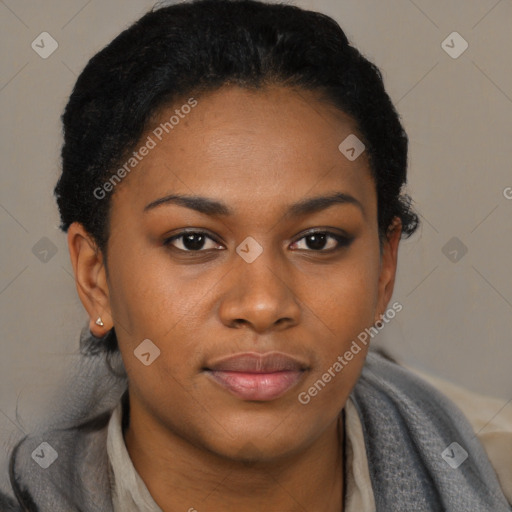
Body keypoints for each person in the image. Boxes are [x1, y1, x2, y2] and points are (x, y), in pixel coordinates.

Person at [2, 0, 511, 510]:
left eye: (317, 241)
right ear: (96, 278)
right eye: (194, 241)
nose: (264, 304)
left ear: (384, 270)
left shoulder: (496, 476)